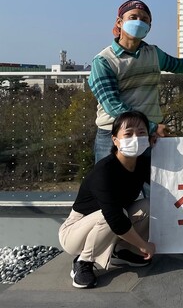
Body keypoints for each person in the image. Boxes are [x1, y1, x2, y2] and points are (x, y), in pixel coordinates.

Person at [88, 0, 183, 162]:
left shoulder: (153, 53)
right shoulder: (104, 60)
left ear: (149, 26)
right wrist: (151, 127)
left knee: (151, 186)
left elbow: (179, 65)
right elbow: (112, 105)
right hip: (114, 133)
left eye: (144, 19)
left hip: (149, 135)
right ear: (119, 22)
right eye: (133, 17)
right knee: (110, 185)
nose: (139, 22)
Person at [59, 111, 156, 289]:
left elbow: (163, 186)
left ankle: (122, 251)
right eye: (128, 134)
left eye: (141, 133)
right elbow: (114, 218)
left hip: (112, 221)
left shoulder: (140, 164)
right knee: (113, 214)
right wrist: (144, 245)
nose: (135, 138)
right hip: (75, 231)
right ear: (115, 140)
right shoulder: (104, 171)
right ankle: (83, 262)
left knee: (150, 206)